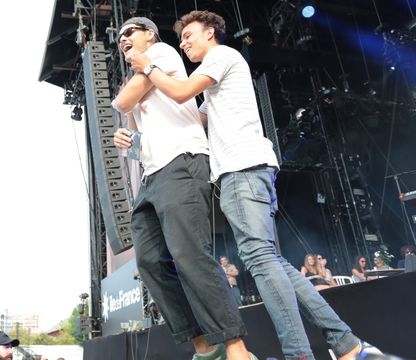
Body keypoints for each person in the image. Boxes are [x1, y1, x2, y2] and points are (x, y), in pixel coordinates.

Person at [125, 10, 364, 360]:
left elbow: (180, 92)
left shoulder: (221, 55)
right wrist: (138, 132)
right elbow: (191, 115)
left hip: (244, 168)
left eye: (190, 35)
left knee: (260, 258)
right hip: (238, 174)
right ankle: (345, 343)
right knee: (270, 260)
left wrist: (148, 66)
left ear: (211, 33)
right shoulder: (214, 81)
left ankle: (299, 353)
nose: (184, 42)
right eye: (181, 38)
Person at [112, 16, 253, 360]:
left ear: (150, 34)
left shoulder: (162, 52)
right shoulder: (144, 73)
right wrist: (125, 139)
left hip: (181, 161)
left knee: (190, 253)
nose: (123, 39)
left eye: (130, 32)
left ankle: (237, 348)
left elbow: (121, 101)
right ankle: (205, 348)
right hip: (150, 175)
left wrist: (130, 94)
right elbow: (134, 122)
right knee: (149, 262)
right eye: (120, 38)